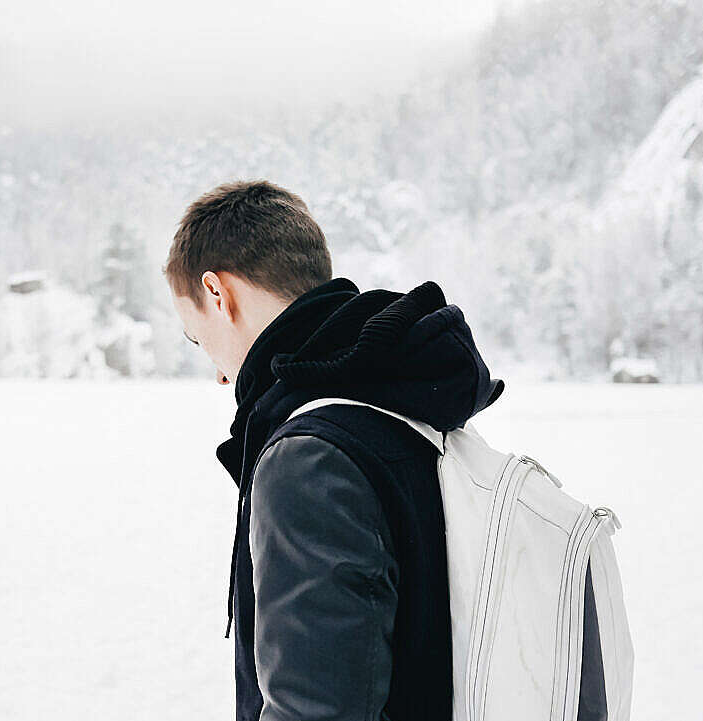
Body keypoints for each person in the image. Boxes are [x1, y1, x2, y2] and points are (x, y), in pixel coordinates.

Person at [163, 179, 504, 721]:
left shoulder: (309, 457)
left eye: (195, 337)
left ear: (217, 293)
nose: (219, 377)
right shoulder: (408, 410)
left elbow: (317, 710)